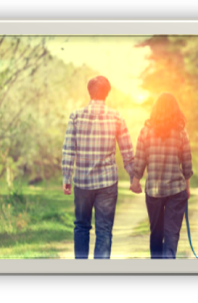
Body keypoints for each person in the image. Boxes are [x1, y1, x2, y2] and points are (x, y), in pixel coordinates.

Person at [61, 76, 135, 259]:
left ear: (89, 92)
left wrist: (66, 178)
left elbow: (68, 149)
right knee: (104, 230)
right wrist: (134, 177)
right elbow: (127, 151)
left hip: (82, 182)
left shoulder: (76, 116)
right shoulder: (116, 117)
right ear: (107, 93)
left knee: (81, 226)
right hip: (107, 183)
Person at [130, 93, 193, 259]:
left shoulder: (145, 132)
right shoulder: (181, 132)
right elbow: (187, 162)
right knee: (172, 233)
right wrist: (187, 188)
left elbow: (140, 159)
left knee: (156, 232)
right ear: (175, 110)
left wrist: (135, 181)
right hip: (176, 190)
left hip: (153, 191)